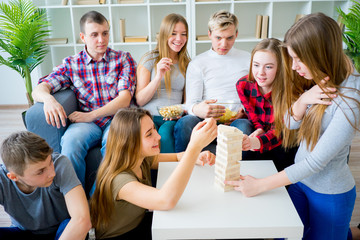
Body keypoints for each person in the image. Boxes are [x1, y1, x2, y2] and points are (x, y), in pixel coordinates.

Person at [226, 13, 360, 240]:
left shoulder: (350, 99)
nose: (294, 66)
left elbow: (316, 162)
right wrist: (304, 99)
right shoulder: (320, 77)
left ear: (319, 54)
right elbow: (288, 123)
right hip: (300, 182)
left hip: (329, 192)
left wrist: (261, 185)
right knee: (285, 235)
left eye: (298, 59)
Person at [32, 11, 136, 187]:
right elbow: (40, 88)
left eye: (105, 33)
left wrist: (91, 115)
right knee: (71, 141)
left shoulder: (123, 59)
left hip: (117, 119)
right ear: (83, 37)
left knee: (115, 144)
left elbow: (124, 99)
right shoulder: (71, 64)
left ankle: (99, 202)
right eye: (94, 35)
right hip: (87, 125)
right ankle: (75, 200)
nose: (101, 40)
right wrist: (49, 100)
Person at [89, 108, 217, 239]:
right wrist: (194, 148)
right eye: (149, 134)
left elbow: (178, 157)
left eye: (154, 129)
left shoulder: (141, 159)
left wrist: (196, 156)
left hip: (137, 224)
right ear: (130, 143)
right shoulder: (120, 181)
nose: (159, 136)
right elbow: (166, 200)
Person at [174, 10, 250, 154]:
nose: (224, 44)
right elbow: (191, 103)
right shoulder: (198, 62)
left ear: (236, 35)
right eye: (218, 37)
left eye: (229, 38)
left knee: (244, 129)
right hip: (204, 119)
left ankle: (239, 174)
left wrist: (246, 112)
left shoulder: (248, 59)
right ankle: (184, 169)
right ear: (209, 34)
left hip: (237, 120)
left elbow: (255, 95)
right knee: (184, 124)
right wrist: (198, 110)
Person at [0, 131, 91, 240]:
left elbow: (82, 220)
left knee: (76, 224)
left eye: (50, 162)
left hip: (64, 231)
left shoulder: (60, 164)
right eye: (40, 171)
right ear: (14, 177)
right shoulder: (2, 179)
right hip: (23, 231)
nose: (52, 173)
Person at [230, 38, 296, 171]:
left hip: (282, 142)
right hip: (262, 137)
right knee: (249, 150)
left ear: (280, 67)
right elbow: (252, 116)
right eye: (256, 65)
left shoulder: (290, 90)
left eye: (269, 67)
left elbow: (282, 130)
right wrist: (259, 128)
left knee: (283, 150)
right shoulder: (243, 85)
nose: (260, 72)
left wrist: (257, 142)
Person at [135, 13, 190, 153]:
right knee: (147, 137)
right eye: (174, 33)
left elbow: (187, 101)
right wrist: (158, 76)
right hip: (149, 115)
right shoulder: (149, 59)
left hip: (172, 118)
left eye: (183, 34)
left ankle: (167, 174)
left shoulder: (187, 64)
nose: (179, 39)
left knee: (165, 136)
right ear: (165, 34)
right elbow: (140, 100)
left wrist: (182, 111)